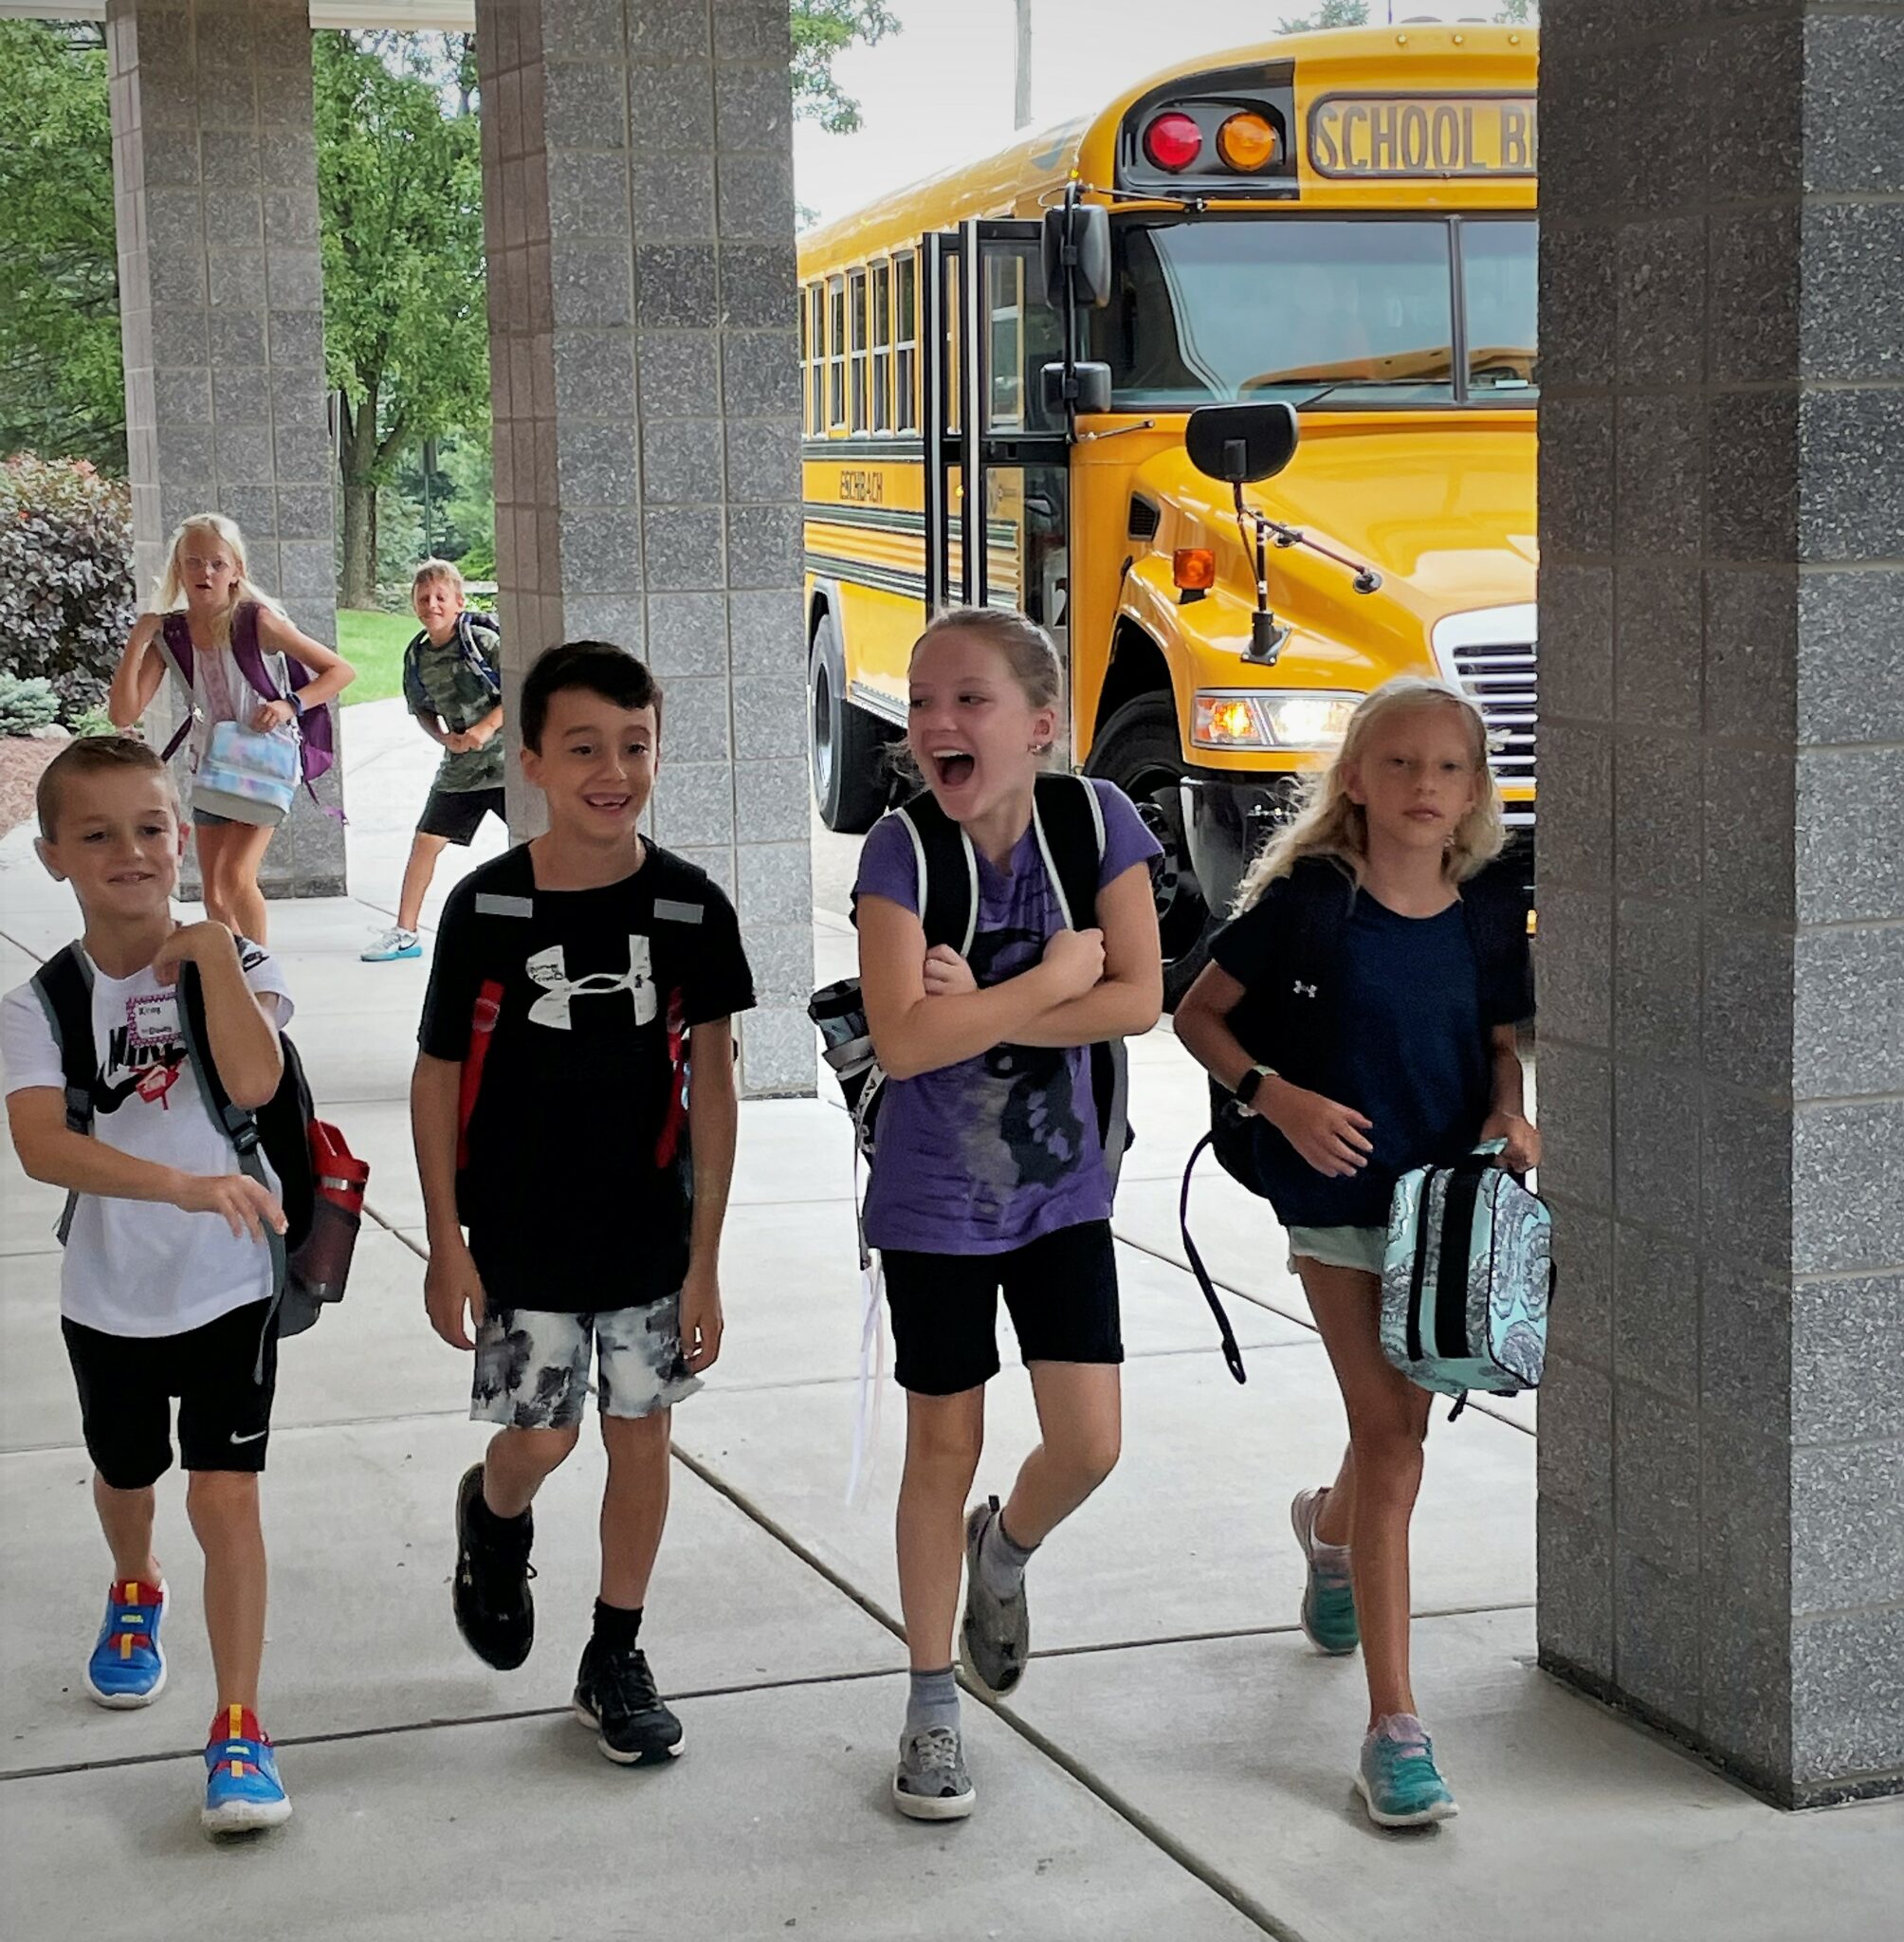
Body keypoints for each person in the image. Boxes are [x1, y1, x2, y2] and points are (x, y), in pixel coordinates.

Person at [1173, 676, 1538, 1829]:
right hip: (1334, 1198)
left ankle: (1328, 1534)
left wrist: (1509, 1111)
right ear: (1354, 779)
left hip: (1447, 1203)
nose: (1423, 786)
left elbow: (1497, 1044)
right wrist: (1270, 1095)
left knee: (1397, 1427)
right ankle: (1394, 1727)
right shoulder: (1309, 906)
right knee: (1393, 1434)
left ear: (1474, 786)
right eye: (1398, 764)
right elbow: (1196, 1013)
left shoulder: (1487, 906)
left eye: (1447, 767)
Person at [412, 640, 755, 1766]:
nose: (614, 769)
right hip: (519, 1230)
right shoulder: (487, 904)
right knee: (543, 1437)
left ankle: (616, 1650)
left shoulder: (691, 908)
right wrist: (444, 1244)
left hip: (649, 1231)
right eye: (584, 748)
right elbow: (436, 1074)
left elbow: (714, 1083)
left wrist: (705, 1260)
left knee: (639, 1432)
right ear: (533, 763)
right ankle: (493, 1513)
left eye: (635, 744)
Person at [853, 608, 1163, 1821]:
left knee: (1089, 1442)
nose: (937, 721)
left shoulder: (1097, 826)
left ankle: (1007, 1549)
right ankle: (932, 1702)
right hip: (932, 1204)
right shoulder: (899, 852)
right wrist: (1044, 979)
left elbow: (1137, 998)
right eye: (925, 701)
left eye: (968, 699)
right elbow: (901, 1037)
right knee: (942, 1447)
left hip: (1062, 1194)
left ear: (1039, 724)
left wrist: (979, 1004)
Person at [0, 734, 299, 1836]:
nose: (131, 849)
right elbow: (43, 1146)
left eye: (152, 824)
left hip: (231, 1285)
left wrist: (215, 952)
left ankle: (239, 1725)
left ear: (181, 831)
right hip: (109, 1292)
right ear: (53, 858)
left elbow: (258, 1079)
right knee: (126, 1474)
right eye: (99, 833)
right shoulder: (41, 1002)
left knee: (226, 1492)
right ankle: (136, 1584)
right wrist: (174, 1183)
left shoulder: (245, 964)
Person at [107, 513, 355, 947]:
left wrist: (288, 704)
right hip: (213, 766)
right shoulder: (173, 635)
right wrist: (138, 641)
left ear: (236, 570)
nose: (206, 572)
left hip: (265, 763)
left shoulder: (256, 622)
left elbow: (339, 671)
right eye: (194, 562)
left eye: (217, 563)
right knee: (215, 893)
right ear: (178, 570)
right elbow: (123, 713)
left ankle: (262, 981)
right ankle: (237, 978)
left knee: (236, 877)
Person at [361, 559, 506, 962]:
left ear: (458, 602)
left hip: (509, 765)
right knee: (426, 841)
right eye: (423, 598)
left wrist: (486, 728)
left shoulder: (482, 642)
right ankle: (405, 931)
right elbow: (421, 708)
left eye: (441, 597)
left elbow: (518, 693)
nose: (432, 605)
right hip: (462, 769)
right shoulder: (418, 658)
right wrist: (444, 737)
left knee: (540, 842)